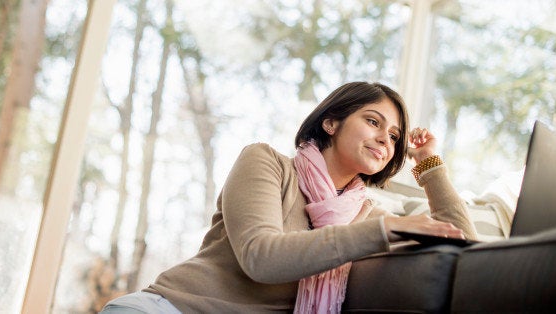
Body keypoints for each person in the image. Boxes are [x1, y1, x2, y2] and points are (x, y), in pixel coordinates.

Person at [100, 81, 477, 313]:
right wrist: (386, 228)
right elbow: (261, 257)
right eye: (373, 121)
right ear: (331, 122)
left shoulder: (365, 214)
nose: (385, 139)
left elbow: (462, 240)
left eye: (394, 136)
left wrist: (429, 164)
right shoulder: (266, 162)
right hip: (170, 309)